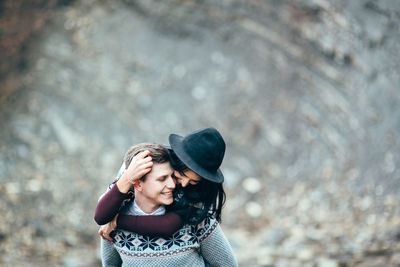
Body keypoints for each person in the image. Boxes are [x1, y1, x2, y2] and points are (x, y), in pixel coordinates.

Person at [95, 128, 238, 266]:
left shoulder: (197, 194)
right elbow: (101, 216)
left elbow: (168, 226)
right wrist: (127, 178)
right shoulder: (144, 165)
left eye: (194, 181)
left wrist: (115, 222)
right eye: (181, 175)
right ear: (176, 160)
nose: (183, 184)